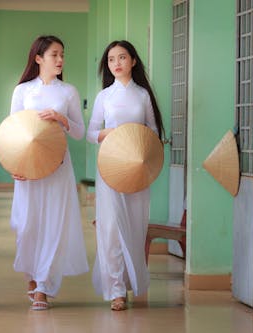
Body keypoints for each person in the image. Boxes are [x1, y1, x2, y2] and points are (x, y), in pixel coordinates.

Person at [9, 35, 89, 311]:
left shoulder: (68, 92)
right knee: (28, 225)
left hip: (58, 165)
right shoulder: (22, 92)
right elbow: (12, 132)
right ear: (38, 58)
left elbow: (79, 131)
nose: (60, 60)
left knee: (54, 224)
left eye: (62, 55)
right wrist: (14, 166)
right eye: (54, 55)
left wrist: (61, 118)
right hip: (28, 166)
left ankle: (43, 286)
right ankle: (31, 275)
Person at [86, 40, 165, 311]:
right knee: (110, 227)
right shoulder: (104, 97)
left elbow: (154, 131)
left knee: (134, 225)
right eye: (111, 60)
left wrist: (138, 138)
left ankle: (129, 282)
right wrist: (109, 134)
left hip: (137, 168)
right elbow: (90, 133)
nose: (116, 63)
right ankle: (115, 289)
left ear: (133, 61)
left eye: (121, 58)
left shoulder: (142, 95)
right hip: (109, 166)